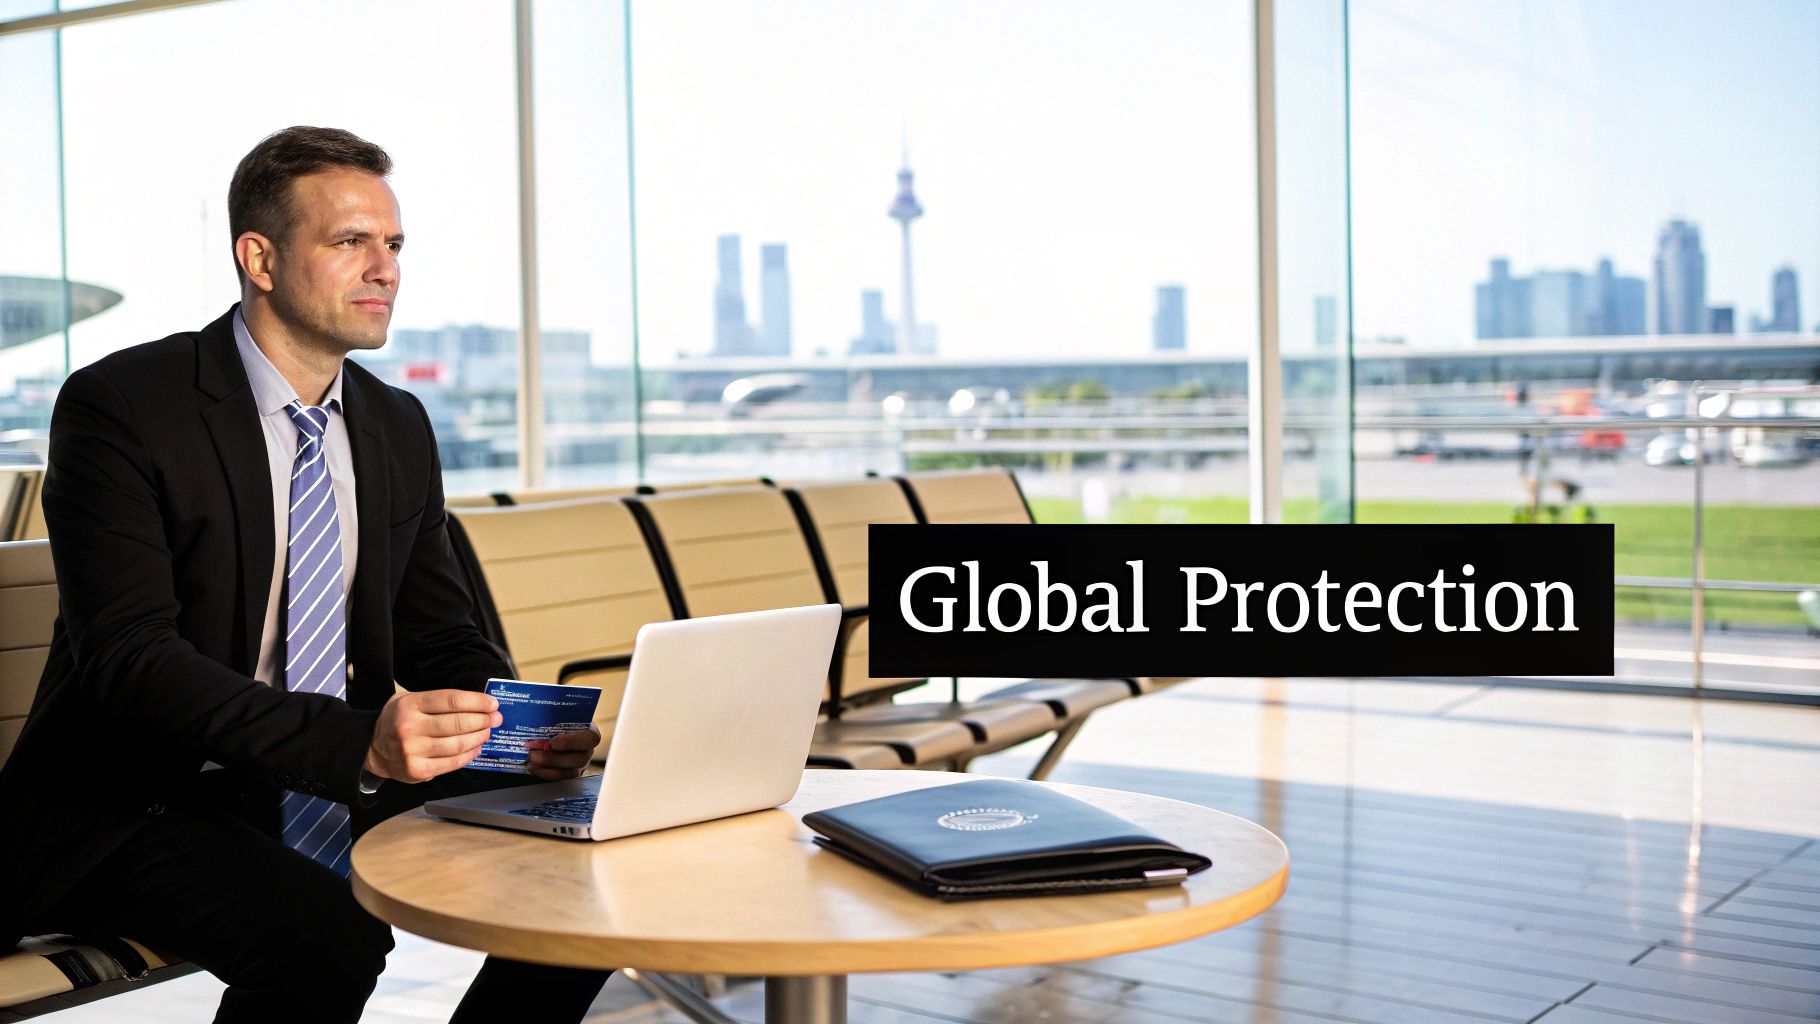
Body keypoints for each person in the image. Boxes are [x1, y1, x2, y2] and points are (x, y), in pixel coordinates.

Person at [0, 127, 613, 1022]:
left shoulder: (396, 424)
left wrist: (521, 731)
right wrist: (359, 744)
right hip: (142, 795)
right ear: (260, 257)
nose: (385, 269)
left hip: (325, 767)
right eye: (349, 242)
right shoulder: (122, 407)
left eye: (393, 244)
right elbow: (130, 661)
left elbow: (440, 634)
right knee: (326, 935)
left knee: (591, 853)